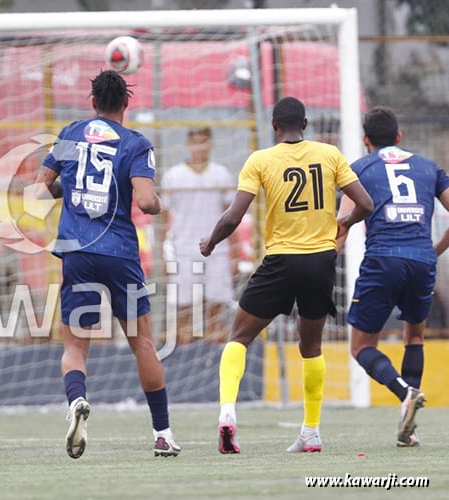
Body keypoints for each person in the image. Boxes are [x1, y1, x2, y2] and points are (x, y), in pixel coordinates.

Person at [199, 96, 373, 454]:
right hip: (321, 262)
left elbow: (233, 217)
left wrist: (211, 242)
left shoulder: (260, 160)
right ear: (304, 125)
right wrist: (344, 222)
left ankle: (227, 413)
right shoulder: (330, 154)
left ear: (274, 126)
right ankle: (311, 431)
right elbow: (366, 204)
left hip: (280, 261)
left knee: (238, 337)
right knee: (311, 347)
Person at [35, 69, 180, 459]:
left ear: (93, 102)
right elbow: (146, 201)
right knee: (142, 343)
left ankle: (77, 401)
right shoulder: (135, 143)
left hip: (76, 253)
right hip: (119, 254)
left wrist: (69, 188)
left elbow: (39, 188)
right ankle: (163, 434)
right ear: (126, 103)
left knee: (74, 346)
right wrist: (159, 203)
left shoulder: (70, 134)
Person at [337, 106, 449, 447]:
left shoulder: (359, 169)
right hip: (421, 260)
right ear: (399, 137)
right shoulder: (429, 167)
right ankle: (408, 429)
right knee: (414, 336)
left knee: (361, 346)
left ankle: (405, 393)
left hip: (383, 259)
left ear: (365, 140)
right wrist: (435, 250)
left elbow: (342, 224)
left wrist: (326, 262)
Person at [161, 126, 237, 344]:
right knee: (183, 304)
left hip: (217, 249)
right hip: (183, 249)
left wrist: (234, 253)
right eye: (196, 142)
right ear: (188, 144)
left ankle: (215, 350)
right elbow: (165, 220)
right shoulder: (173, 176)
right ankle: (184, 351)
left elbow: (231, 217)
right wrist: (164, 254)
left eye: (204, 142)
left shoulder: (221, 174)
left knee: (216, 303)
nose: (200, 147)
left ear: (211, 144)